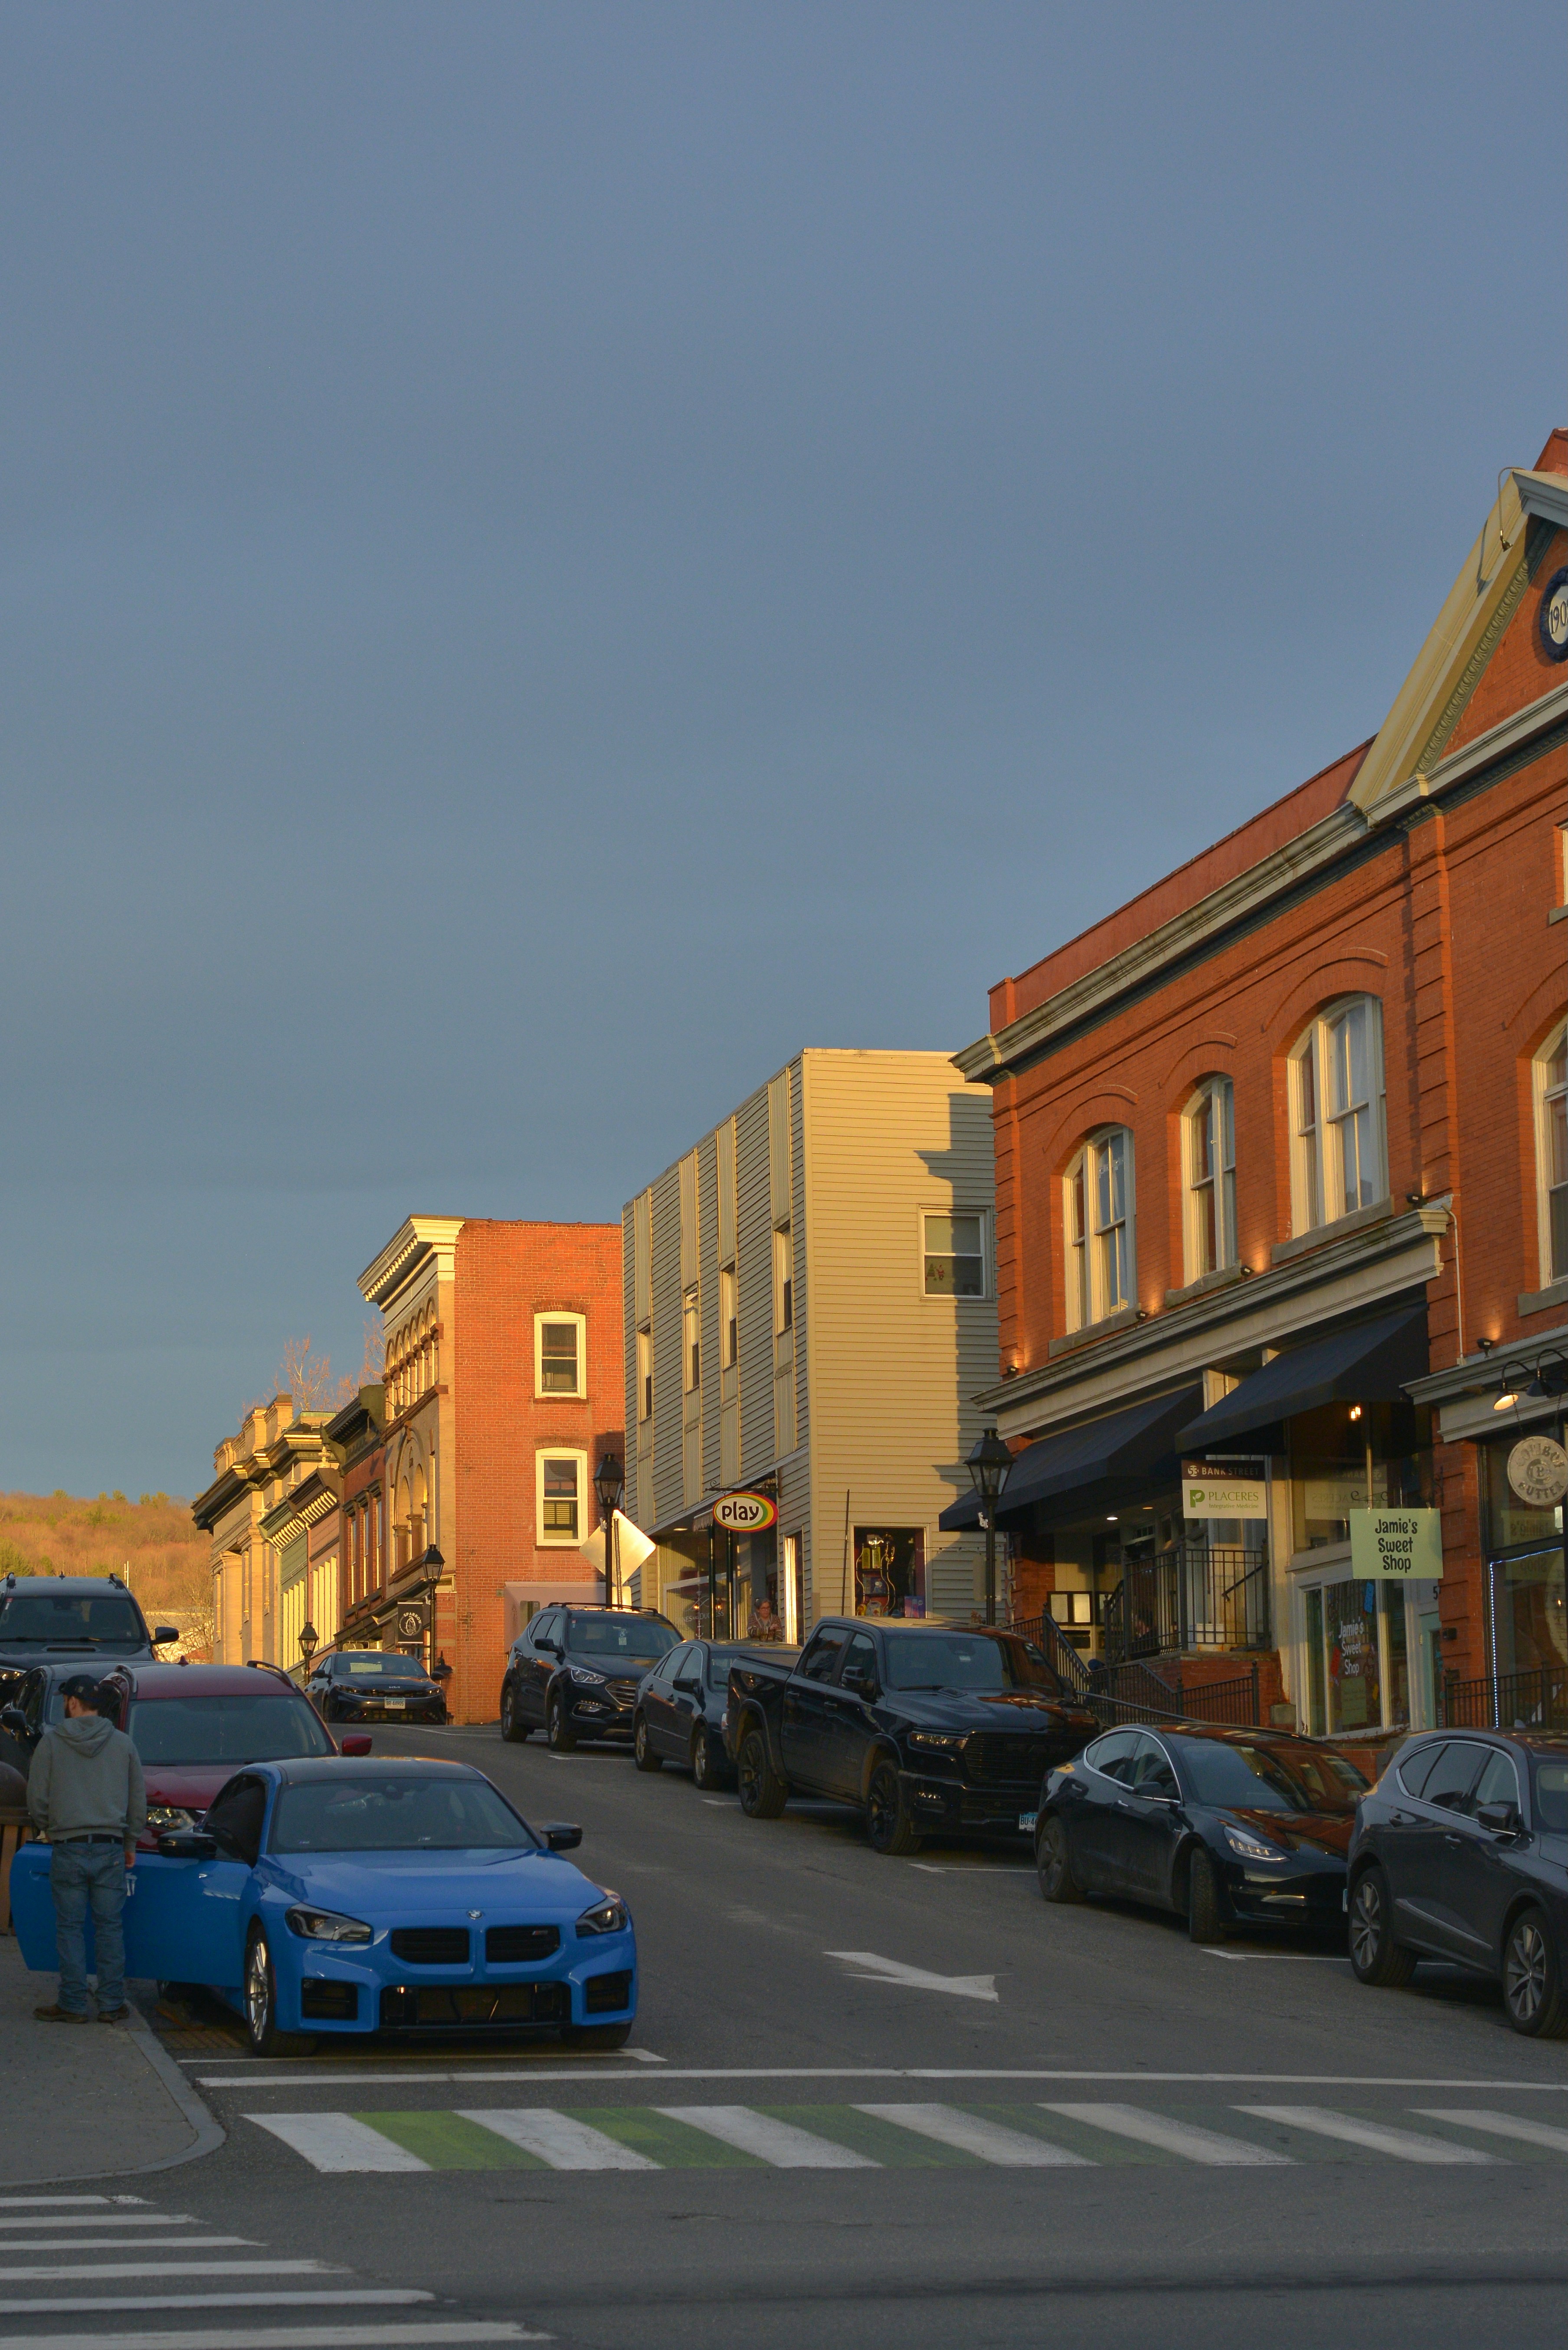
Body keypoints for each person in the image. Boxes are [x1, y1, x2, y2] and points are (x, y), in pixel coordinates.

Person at [26, 1673, 146, 2025]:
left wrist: (50, 1827)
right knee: (110, 1928)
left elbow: (37, 1798)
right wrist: (130, 1841)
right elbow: (137, 1800)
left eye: (66, 1700)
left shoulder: (51, 1743)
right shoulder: (123, 1744)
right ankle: (111, 2004)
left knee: (70, 1928)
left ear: (74, 1702)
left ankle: (73, 2003)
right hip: (110, 1848)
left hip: (68, 1846)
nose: (64, 1705)